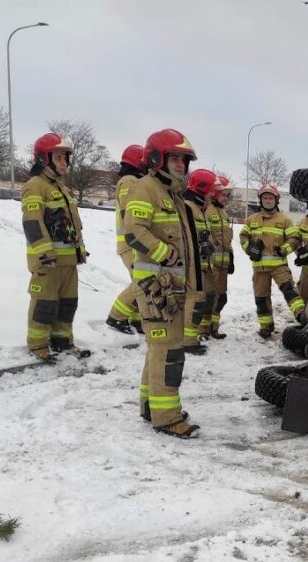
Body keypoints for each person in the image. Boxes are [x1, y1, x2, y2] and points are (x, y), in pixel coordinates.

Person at [124, 128, 202, 439]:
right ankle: (167, 417)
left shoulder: (173, 195)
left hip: (169, 288)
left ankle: (150, 405)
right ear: (158, 159)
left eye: (184, 160)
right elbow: (134, 231)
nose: (181, 165)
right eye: (175, 159)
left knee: (158, 348)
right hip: (157, 288)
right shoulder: (146, 189)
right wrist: (165, 253)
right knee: (168, 351)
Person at [21, 132, 91, 361]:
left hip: (68, 259)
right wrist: (44, 252)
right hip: (48, 261)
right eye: (58, 158)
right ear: (44, 159)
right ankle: (38, 345)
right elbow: (32, 221)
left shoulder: (63, 188)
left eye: (65, 158)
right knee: (45, 304)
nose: (64, 163)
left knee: (67, 304)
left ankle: (62, 341)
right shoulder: (35, 185)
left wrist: (79, 250)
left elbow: (73, 225)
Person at [239, 184, 305, 338]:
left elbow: (294, 239)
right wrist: (249, 249)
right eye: (265, 198)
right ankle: (266, 327)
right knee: (261, 299)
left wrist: (284, 249)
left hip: (279, 266)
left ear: (276, 200)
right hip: (259, 269)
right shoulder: (251, 220)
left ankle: (302, 316)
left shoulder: (284, 220)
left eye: (270, 198)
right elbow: (243, 237)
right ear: (260, 200)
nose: (268, 200)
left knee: (290, 292)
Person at [105, 144, 147, 334]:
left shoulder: (132, 181)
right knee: (141, 281)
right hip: (131, 243)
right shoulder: (129, 182)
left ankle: (137, 319)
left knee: (143, 282)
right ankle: (116, 316)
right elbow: (131, 213)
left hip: (134, 242)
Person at [182, 169, 217, 355]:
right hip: (191, 265)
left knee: (199, 301)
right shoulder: (188, 207)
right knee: (195, 301)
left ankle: (189, 338)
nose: (213, 194)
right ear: (202, 189)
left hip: (200, 265)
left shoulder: (199, 208)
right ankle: (187, 341)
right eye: (211, 190)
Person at [205, 176, 235, 339]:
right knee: (208, 298)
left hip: (223, 266)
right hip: (211, 266)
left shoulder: (224, 213)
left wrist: (231, 257)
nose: (226, 198)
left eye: (228, 195)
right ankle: (203, 331)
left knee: (221, 298)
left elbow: (227, 239)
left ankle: (213, 328)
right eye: (224, 194)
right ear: (215, 193)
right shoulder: (207, 211)